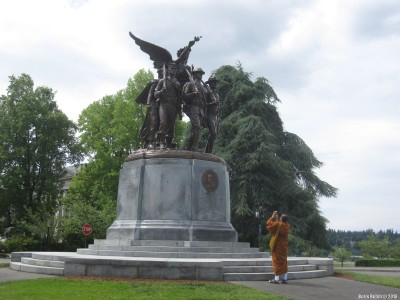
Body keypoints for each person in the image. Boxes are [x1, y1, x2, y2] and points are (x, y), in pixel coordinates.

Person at [154, 63, 182, 149]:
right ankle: (162, 142)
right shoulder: (162, 81)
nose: (173, 70)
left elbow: (179, 98)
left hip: (173, 106)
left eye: (175, 69)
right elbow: (155, 94)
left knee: (171, 125)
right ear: (168, 70)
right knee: (163, 123)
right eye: (171, 69)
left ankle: (169, 142)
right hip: (163, 104)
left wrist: (180, 111)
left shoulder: (177, 83)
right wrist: (161, 92)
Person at [182, 67, 207, 151]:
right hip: (193, 107)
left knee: (196, 128)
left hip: (200, 109)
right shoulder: (190, 84)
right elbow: (184, 96)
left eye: (201, 73)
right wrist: (193, 94)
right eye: (199, 73)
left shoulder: (203, 87)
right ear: (195, 74)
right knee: (197, 127)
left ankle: (191, 146)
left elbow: (204, 99)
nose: (200, 75)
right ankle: (194, 146)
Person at [138, 68, 162, 149]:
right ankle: (150, 141)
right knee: (153, 122)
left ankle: (159, 140)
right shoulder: (155, 82)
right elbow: (150, 94)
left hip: (160, 105)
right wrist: (148, 103)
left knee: (160, 123)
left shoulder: (164, 82)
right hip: (153, 104)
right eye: (161, 73)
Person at [267, 211, 290, 284]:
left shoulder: (278, 224)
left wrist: (273, 217)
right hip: (284, 247)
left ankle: (276, 279)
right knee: (284, 262)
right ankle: (285, 278)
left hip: (277, 246)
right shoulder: (287, 226)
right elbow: (279, 226)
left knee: (276, 261)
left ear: (281, 219)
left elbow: (268, 223)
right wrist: (277, 220)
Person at [204, 76, 220, 153]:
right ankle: (208, 151)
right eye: (213, 82)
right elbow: (203, 104)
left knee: (214, 134)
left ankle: (208, 151)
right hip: (209, 114)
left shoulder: (216, 94)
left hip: (215, 115)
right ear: (210, 83)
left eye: (216, 82)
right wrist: (212, 103)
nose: (215, 84)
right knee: (213, 133)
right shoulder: (207, 92)